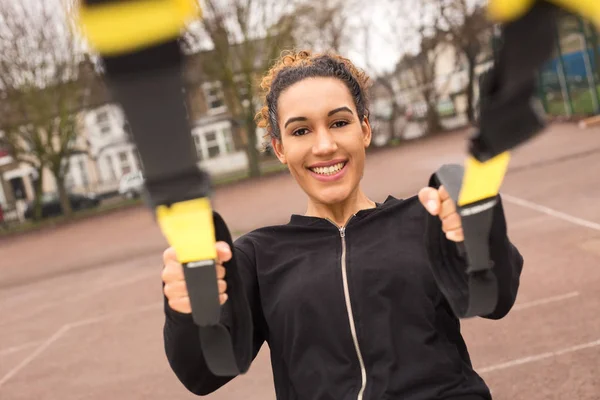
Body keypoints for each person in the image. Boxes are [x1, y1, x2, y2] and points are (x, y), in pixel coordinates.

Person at [161, 50, 524, 400]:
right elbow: (204, 374)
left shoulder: (425, 218)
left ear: (364, 129)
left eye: (339, 123)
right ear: (279, 148)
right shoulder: (256, 258)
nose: (324, 145)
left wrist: (478, 235)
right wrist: (186, 310)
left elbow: (497, 299)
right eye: (301, 131)